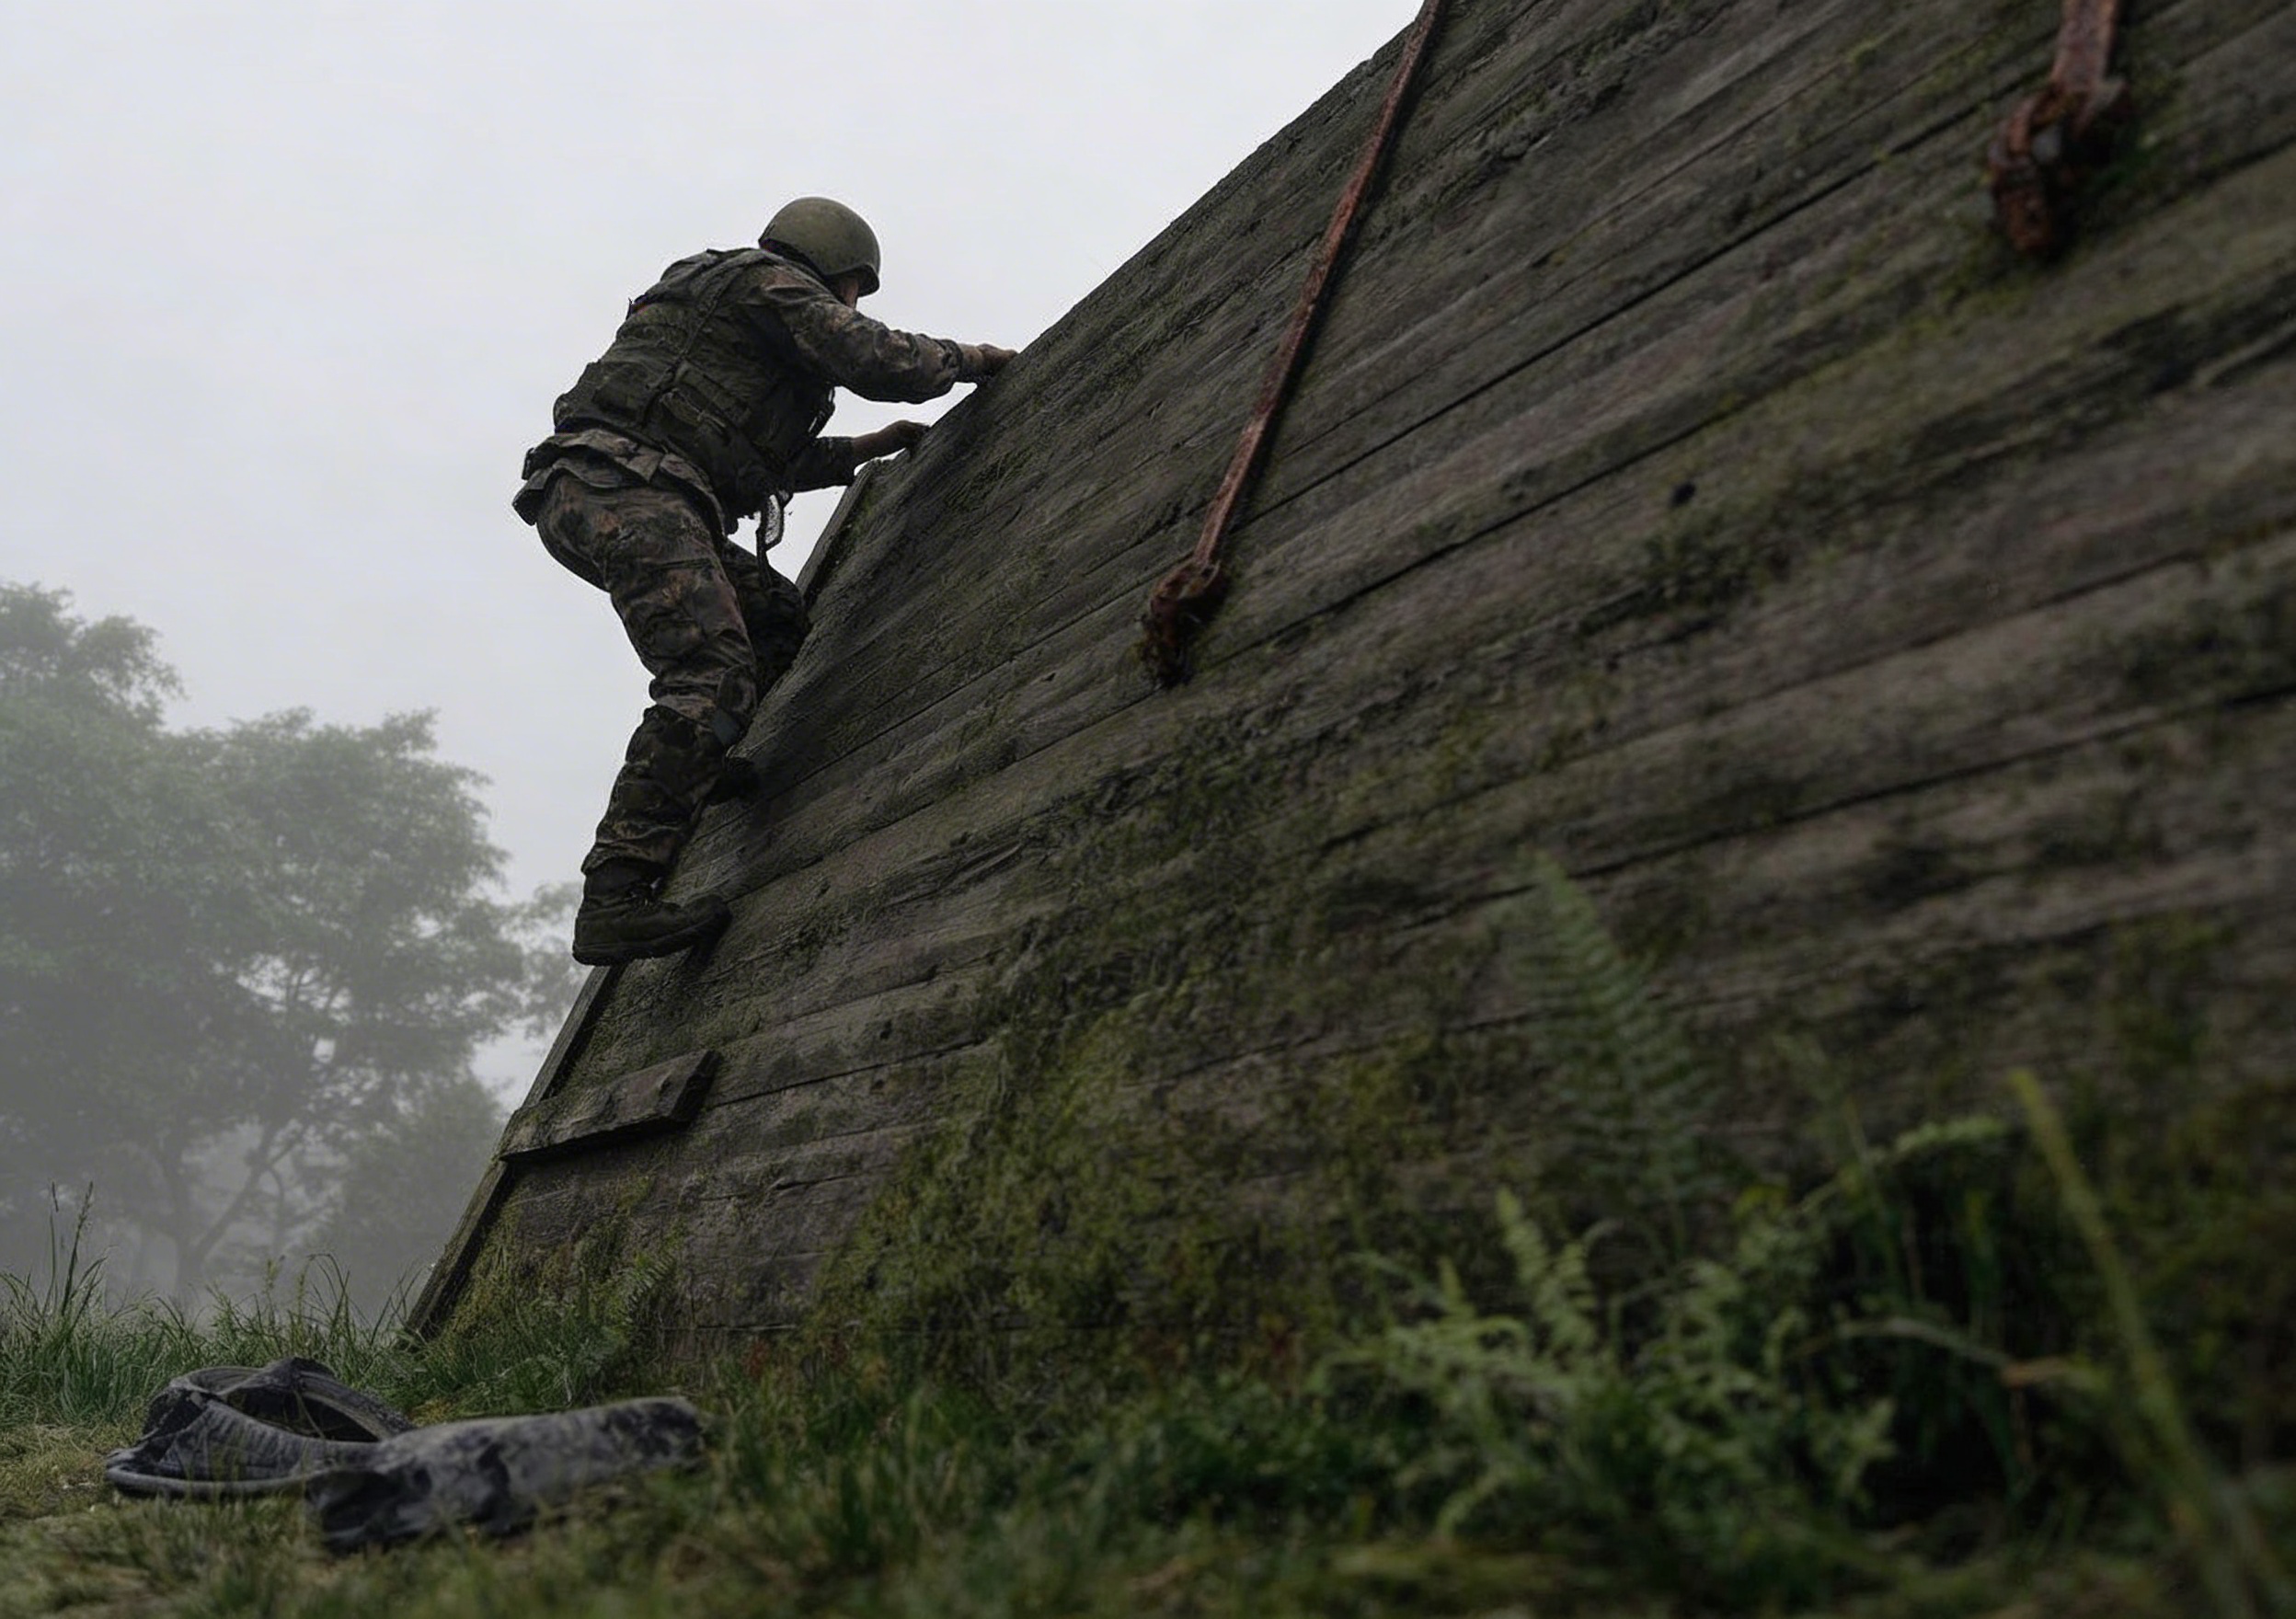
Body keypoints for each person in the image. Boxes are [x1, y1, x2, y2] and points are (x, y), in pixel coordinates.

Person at [514, 197, 1016, 965]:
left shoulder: (736, 313)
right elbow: (880, 361)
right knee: (711, 672)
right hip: (623, 486)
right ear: (835, 267)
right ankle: (615, 900)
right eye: (853, 290)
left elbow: (753, 460)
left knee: (773, 620)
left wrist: (864, 447)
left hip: (615, 486)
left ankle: (696, 761)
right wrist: (974, 361)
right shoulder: (767, 283)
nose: (849, 304)